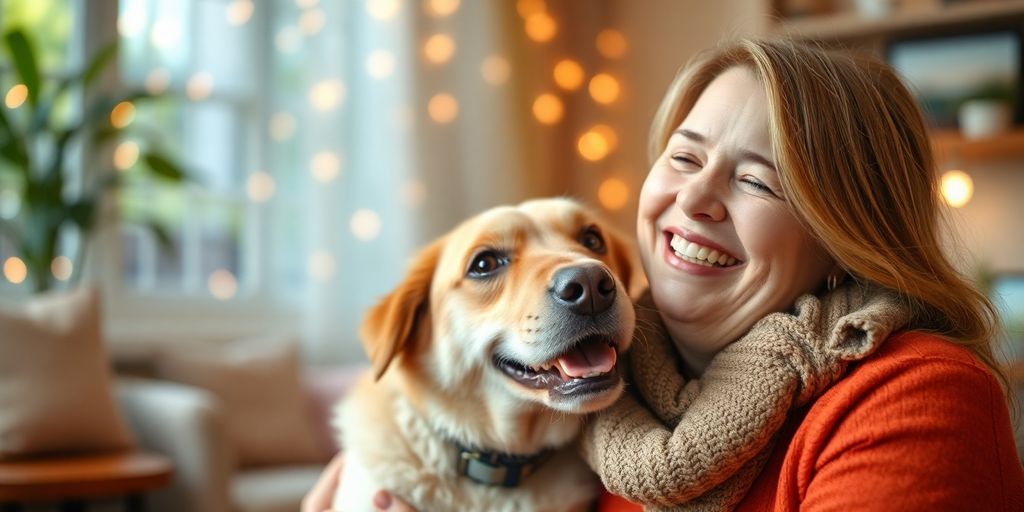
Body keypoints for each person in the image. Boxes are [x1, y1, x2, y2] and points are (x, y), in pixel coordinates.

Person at [303, 38, 1024, 511]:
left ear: (846, 240)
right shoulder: (606, 407)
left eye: (758, 181)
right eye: (683, 157)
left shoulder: (916, 398)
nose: (694, 198)